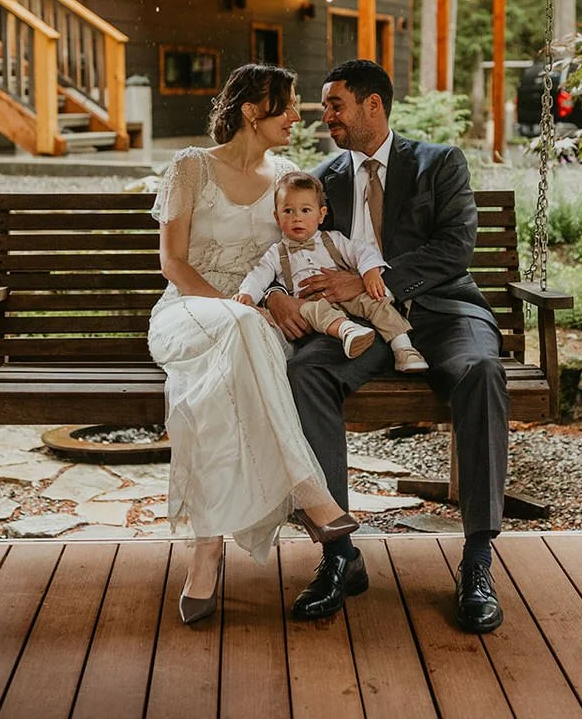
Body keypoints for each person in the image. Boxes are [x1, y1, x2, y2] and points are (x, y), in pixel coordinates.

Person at [268, 59, 510, 633]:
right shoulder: (324, 178)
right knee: (306, 374)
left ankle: (477, 560)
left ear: (373, 105)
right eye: (325, 106)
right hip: (361, 325)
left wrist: (379, 281)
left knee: (481, 371)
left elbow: (456, 248)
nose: (325, 116)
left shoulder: (437, 162)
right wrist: (279, 297)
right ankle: (338, 554)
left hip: (442, 311)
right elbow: (292, 246)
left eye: (335, 105)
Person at [148, 63, 358, 626]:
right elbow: (173, 262)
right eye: (287, 105)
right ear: (251, 110)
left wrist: (281, 300)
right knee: (241, 330)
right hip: (188, 312)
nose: (297, 116)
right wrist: (232, 308)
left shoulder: (289, 174)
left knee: (222, 383)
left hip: (258, 323)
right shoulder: (191, 167)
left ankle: (207, 547)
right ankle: (308, 489)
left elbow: (298, 256)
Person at [234, 171, 429, 372]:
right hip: (311, 302)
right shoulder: (276, 253)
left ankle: (404, 348)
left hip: (346, 296)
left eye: (305, 210)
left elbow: (361, 251)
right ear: (276, 216)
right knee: (309, 310)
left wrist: (370, 270)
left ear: (321, 214)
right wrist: (247, 293)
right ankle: (348, 331)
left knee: (376, 301)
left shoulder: (333, 239)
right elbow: (259, 275)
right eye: (288, 211)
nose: (297, 218)